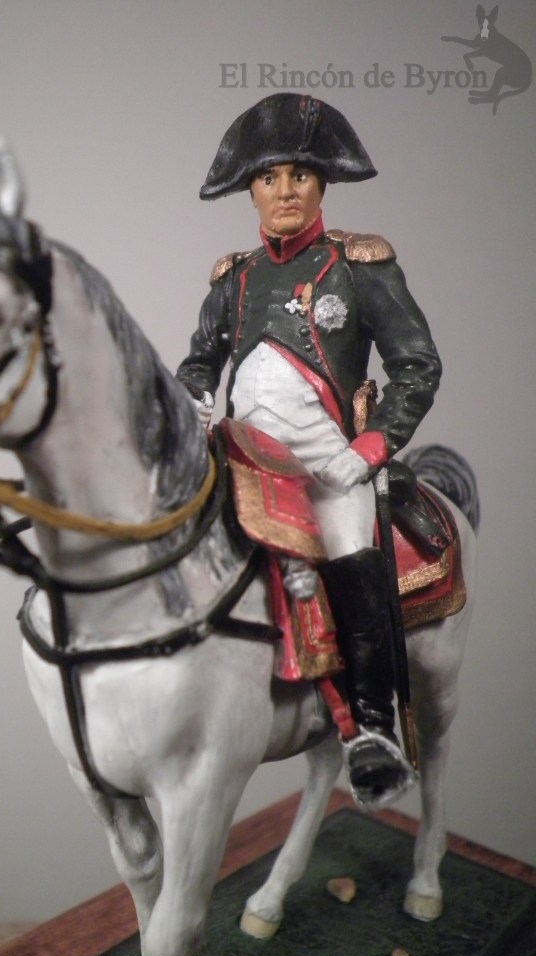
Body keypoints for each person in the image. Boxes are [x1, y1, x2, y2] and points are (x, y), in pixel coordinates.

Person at [176, 93, 441, 806]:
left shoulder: (359, 265)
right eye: (269, 178)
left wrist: (370, 449)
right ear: (251, 191)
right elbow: (200, 362)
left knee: (353, 552)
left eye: (299, 175)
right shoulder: (233, 279)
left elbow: (417, 364)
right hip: (241, 455)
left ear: (322, 182)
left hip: (329, 462)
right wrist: (194, 399)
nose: (285, 190)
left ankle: (373, 730)